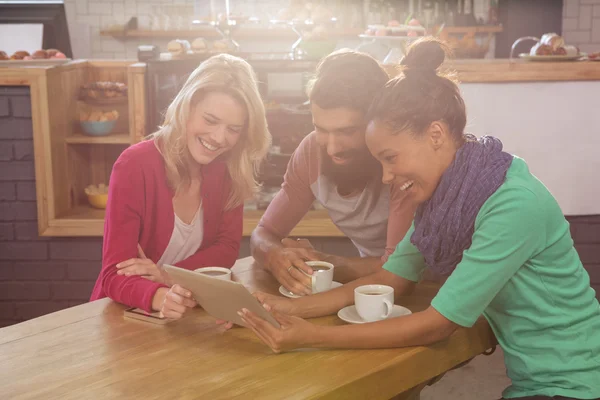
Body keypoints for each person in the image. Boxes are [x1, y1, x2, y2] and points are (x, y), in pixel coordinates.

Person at [238, 38, 600, 400]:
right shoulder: (446, 198)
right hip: (534, 385)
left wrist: (311, 336)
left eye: (391, 158)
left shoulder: (512, 204)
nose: (384, 177)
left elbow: (437, 325)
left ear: (436, 135)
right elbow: (391, 277)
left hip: (576, 385)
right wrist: (285, 307)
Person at [90, 54, 271, 320]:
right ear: (187, 107)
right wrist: (160, 295)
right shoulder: (134, 165)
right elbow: (113, 277)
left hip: (186, 313)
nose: (219, 138)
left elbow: (227, 248)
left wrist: (166, 275)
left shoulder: (229, 169)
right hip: (123, 316)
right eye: (210, 120)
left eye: (233, 129)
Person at [251, 49, 417, 296]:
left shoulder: (400, 161)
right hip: (373, 289)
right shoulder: (310, 152)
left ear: (379, 122)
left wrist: (319, 262)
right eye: (321, 129)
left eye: (347, 131)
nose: (332, 148)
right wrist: (276, 255)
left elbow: (398, 269)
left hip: (435, 286)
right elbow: (263, 233)